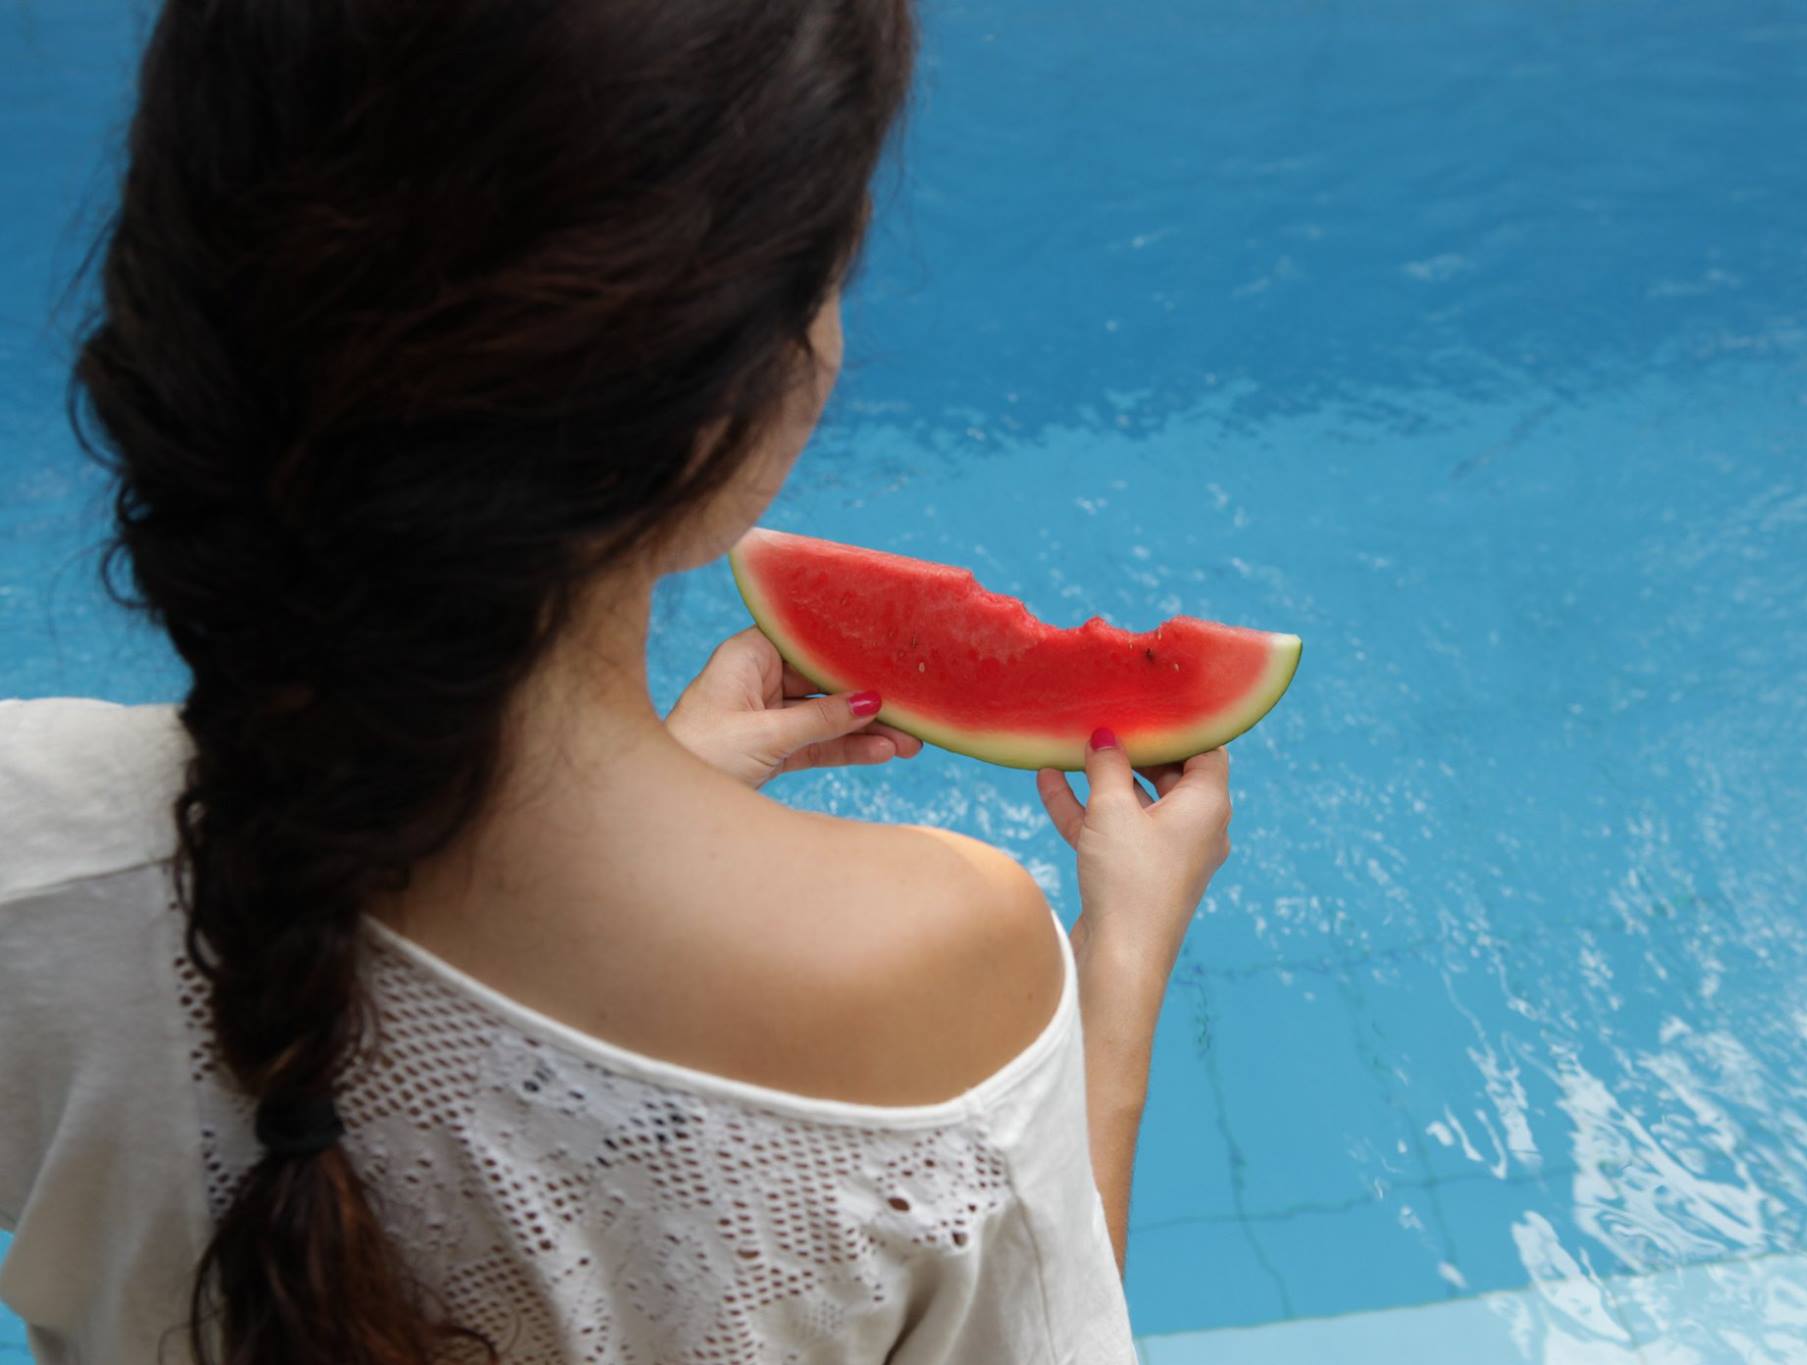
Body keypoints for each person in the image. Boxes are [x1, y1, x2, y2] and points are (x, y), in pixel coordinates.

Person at [0, 2, 1235, 1363]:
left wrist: (651, 787)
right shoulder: (943, 966)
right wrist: (1121, 951)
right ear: (719, 405)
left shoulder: (33, 842)